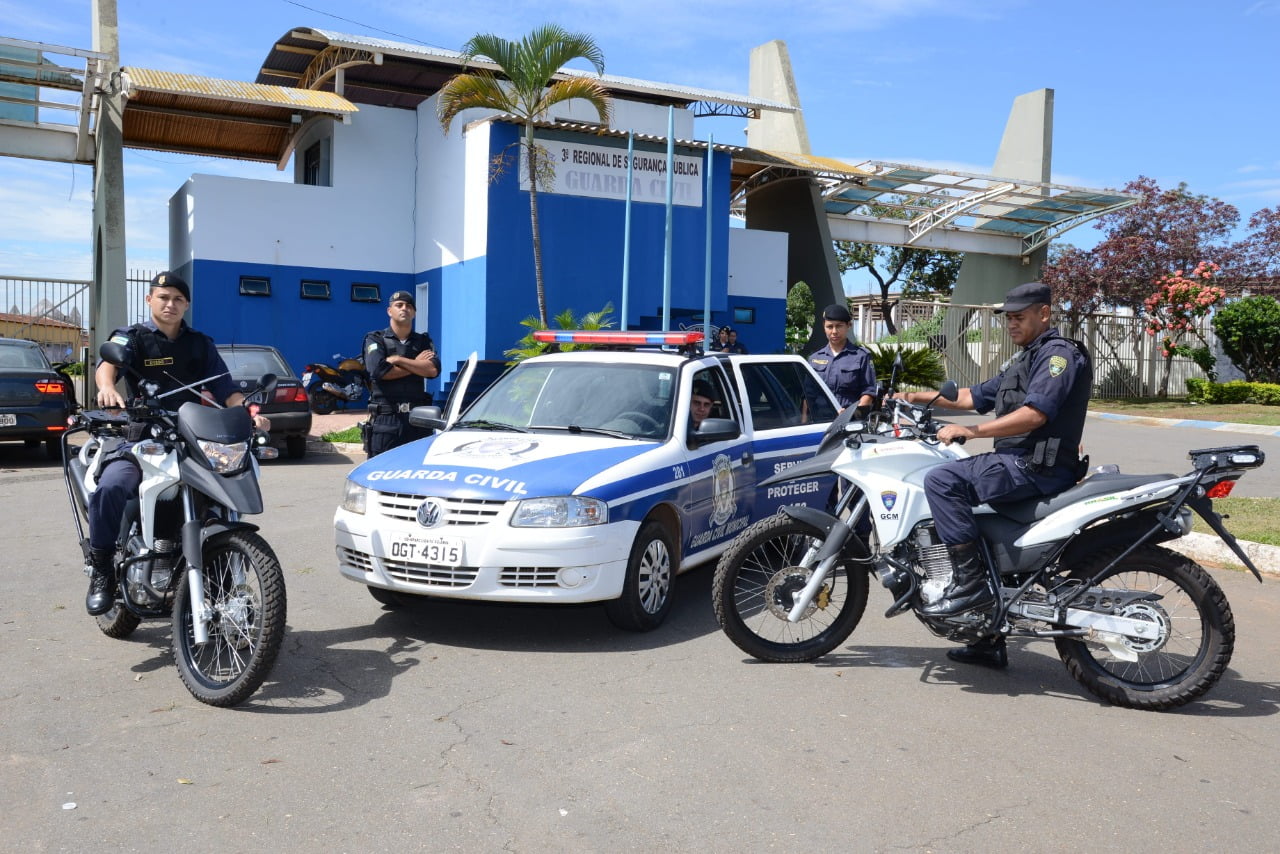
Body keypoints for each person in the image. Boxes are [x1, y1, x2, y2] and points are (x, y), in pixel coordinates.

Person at [894, 281, 1091, 668]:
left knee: (943, 480)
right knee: (974, 520)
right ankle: (986, 638)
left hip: (1036, 466)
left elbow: (1036, 414)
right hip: (1024, 463)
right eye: (1008, 319)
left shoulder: (1058, 356)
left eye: (1019, 317)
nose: (1011, 325)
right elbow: (973, 396)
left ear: (1044, 314)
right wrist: (915, 397)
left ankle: (968, 587)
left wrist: (972, 431)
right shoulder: (1024, 360)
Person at [87, 271, 270, 616]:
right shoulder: (133, 337)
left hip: (191, 438)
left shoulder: (200, 343)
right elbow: (108, 367)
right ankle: (102, 572)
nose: (170, 304)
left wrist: (247, 413)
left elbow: (225, 390)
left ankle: (211, 577)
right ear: (149, 300)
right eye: (163, 297)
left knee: (219, 494)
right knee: (111, 487)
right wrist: (108, 387)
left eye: (177, 299)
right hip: (143, 437)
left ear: (186, 304)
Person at [363, 290, 440, 457]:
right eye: (399, 305)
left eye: (409, 306)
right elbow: (379, 371)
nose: (404, 308)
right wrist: (417, 364)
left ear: (414, 313)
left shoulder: (423, 341)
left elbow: (433, 370)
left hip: (417, 421)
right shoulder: (376, 339)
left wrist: (398, 359)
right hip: (386, 420)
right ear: (390, 311)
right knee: (381, 473)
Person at [802, 303, 876, 420]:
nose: (834, 331)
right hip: (819, 422)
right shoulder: (815, 358)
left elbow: (869, 393)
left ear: (848, 326)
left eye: (839, 326)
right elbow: (808, 396)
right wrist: (804, 423)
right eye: (830, 327)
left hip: (850, 422)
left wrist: (852, 415)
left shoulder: (861, 356)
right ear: (824, 327)